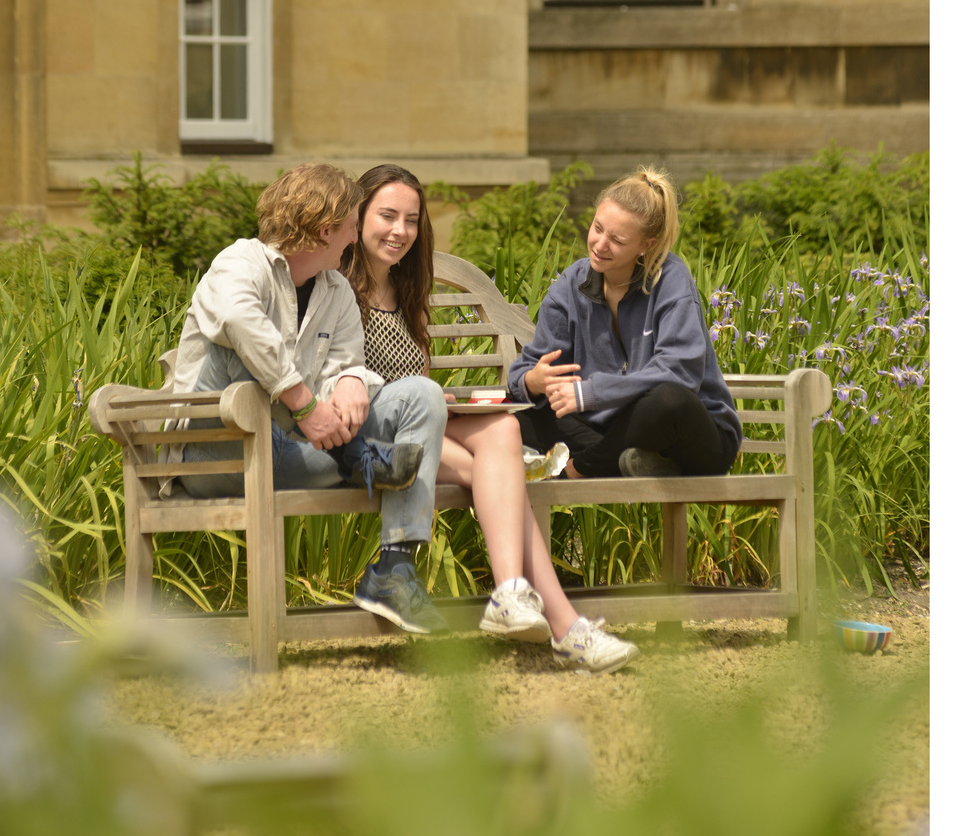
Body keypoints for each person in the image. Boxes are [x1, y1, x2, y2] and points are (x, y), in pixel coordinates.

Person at [340, 163, 640, 676]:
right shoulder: (337, 289)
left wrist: (457, 401)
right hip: (364, 437)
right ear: (359, 215)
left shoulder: (405, 289)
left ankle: (511, 593)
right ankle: (564, 625)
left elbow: (416, 384)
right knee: (499, 474)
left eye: (412, 220)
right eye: (387, 216)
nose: (400, 231)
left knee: (502, 428)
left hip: (415, 424)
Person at [171, 162, 449, 635]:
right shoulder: (240, 263)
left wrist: (352, 380)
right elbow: (241, 323)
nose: (353, 238)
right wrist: (303, 403)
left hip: (299, 454)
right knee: (235, 347)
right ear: (325, 230)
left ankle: (394, 571)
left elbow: (343, 364)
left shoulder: (336, 290)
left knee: (422, 394)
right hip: (218, 453)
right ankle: (362, 457)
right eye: (350, 227)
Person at [509, 167, 742, 482]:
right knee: (516, 416)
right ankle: (637, 462)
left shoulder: (671, 278)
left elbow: (680, 373)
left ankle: (581, 469)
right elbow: (524, 372)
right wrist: (533, 381)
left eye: (616, 239)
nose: (600, 244)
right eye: (597, 228)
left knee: (666, 401)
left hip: (689, 436)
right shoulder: (570, 284)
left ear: (646, 245)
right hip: (611, 432)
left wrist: (590, 393)